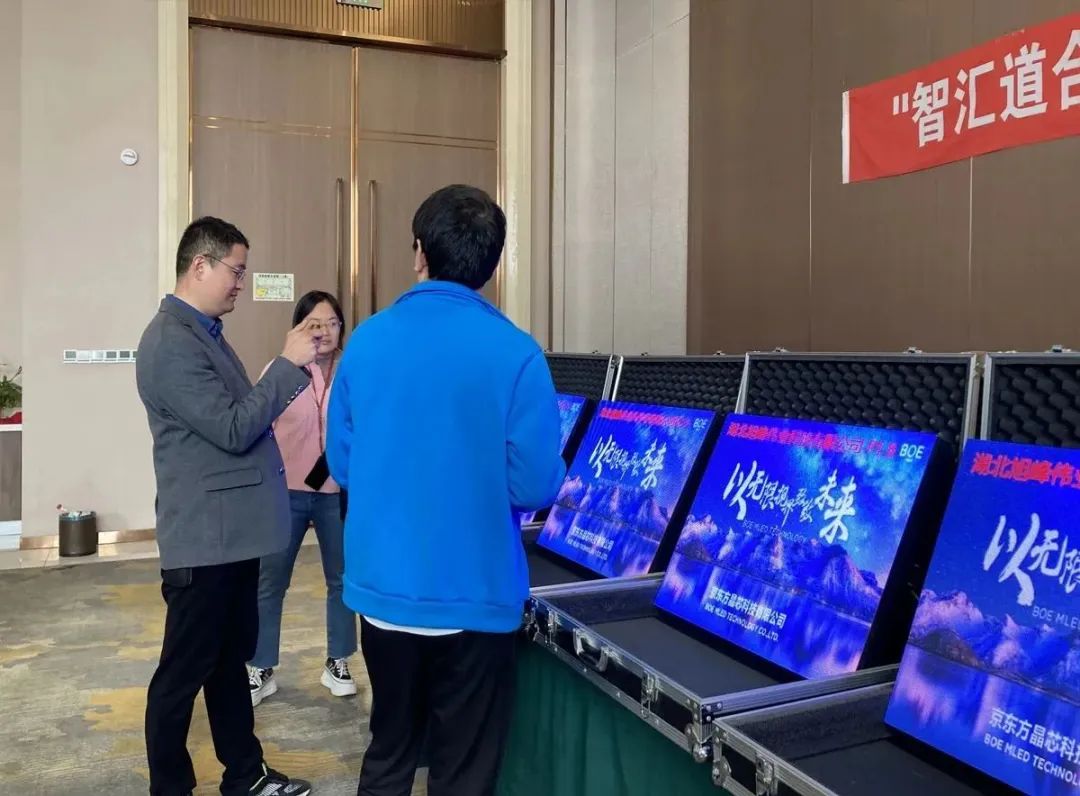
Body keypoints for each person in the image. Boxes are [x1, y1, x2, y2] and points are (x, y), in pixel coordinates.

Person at [326, 185, 567, 796]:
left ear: (419, 252)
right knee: (464, 770)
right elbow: (535, 483)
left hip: (383, 591)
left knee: (389, 751)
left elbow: (344, 463)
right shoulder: (519, 354)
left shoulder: (367, 341)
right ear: (492, 265)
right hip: (476, 595)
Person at [137, 216, 316, 796]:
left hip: (230, 536)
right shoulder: (170, 343)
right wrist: (287, 364)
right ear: (200, 265)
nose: (241, 283)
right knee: (182, 674)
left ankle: (245, 773)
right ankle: (171, 786)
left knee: (226, 663)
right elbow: (234, 428)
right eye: (236, 272)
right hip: (204, 540)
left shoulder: (204, 334)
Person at [247, 290, 357, 706]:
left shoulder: (353, 370)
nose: (324, 332)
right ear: (298, 328)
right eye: (314, 324)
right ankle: (260, 666)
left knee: (341, 579)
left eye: (332, 323)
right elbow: (258, 425)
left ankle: (337, 661)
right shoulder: (280, 370)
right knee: (271, 581)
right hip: (286, 491)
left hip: (337, 493)